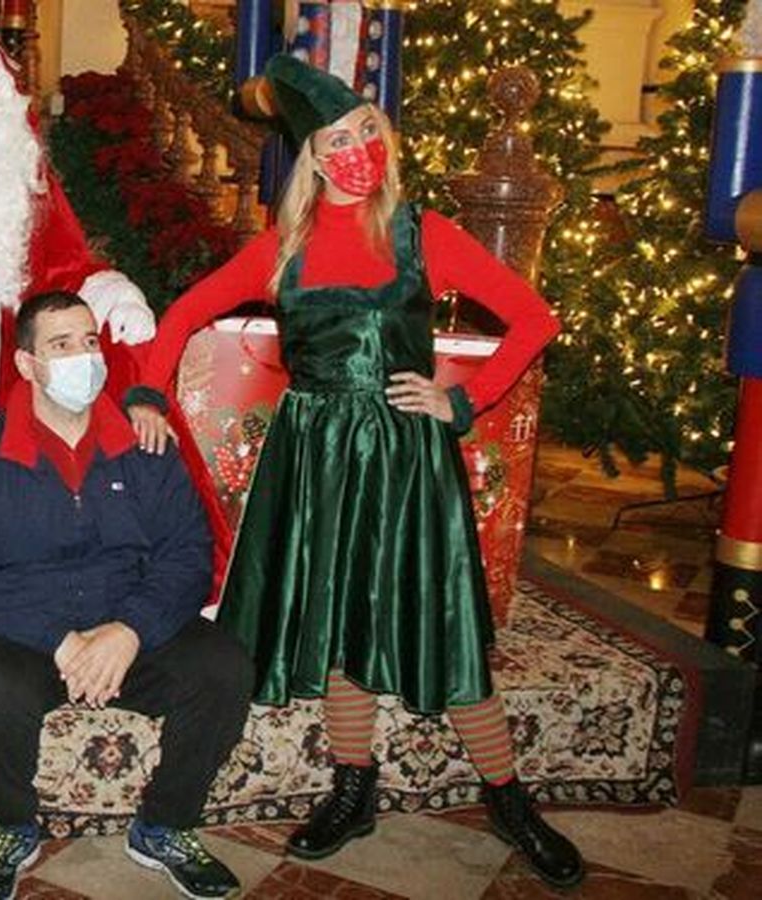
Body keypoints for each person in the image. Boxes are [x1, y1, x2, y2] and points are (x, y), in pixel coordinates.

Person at [125, 55, 582, 889]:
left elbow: (534, 318)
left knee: (442, 625)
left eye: (366, 129)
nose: (356, 148)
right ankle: (353, 784)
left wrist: (462, 401)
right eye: (337, 138)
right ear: (312, 156)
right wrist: (149, 390)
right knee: (339, 625)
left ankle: (510, 800)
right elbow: (185, 310)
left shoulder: (422, 233)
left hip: (406, 460)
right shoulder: (284, 245)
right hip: (316, 461)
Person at [0, 292, 254, 900]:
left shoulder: (146, 448)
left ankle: (164, 825)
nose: (85, 357)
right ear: (26, 364)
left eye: (90, 341)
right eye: (62, 345)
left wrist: (130, 630)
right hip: (28, 633)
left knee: (223, 667)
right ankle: (12, 826)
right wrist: (58, 640)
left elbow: (188, 553)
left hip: (127, 623)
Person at [0, 32, 156, 420]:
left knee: (116, 338)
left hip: (12, 342)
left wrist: (118, 297)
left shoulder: (29, 184)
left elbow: (67, 265)